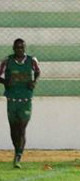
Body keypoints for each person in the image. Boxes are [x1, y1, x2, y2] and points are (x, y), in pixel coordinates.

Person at [0, 38, 40, 169]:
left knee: (21, 129)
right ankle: (17, 151)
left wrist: (34, 81)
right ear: (13, 48)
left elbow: (38, 72)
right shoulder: (7, 61)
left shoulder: (31, 60)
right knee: (14, 129)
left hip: (25, 100)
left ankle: (18, 156)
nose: (19, 50)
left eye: (22, 48)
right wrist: (5, 82)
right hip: (12, 100)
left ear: (25, 48)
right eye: (17, 48)